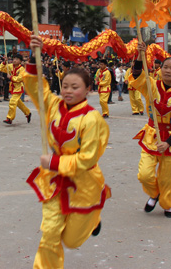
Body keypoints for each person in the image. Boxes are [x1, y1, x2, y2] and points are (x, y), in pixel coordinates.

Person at [25, 35, 110, 269]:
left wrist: (54, 162)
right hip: (55, 183)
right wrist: (34, 56)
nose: (68, 91)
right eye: (65, 86)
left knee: (71, 241)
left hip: (83, 184)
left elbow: (88, 157)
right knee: (49, 234)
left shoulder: (93, 119)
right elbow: (35, 87)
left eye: (75, 87)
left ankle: (93, 220)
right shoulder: (53, 105)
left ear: (88, 90)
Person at [130, 42, 171, 218]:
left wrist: (169, 142)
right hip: (151, 136)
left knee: (165, 179)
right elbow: (137, 77)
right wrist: (140, 57)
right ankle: (154, 194)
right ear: (160, 68)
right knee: (144, 174)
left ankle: (167, 203)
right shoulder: (152, 85)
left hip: (170, 141)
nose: (168, 71)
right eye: (165, 67)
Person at [0, 53, 31, 125]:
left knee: (12, 102)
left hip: (18, 87)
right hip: (13, 87)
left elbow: (19, 78)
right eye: (14, 59)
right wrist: (4, 62)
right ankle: (28, 113)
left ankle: (9, 118)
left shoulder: (22, 69)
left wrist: (11, 77)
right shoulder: (10, 66)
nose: (14, 60)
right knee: (18, 103)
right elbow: (1, 68)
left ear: (20, 61)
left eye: (17, 59)